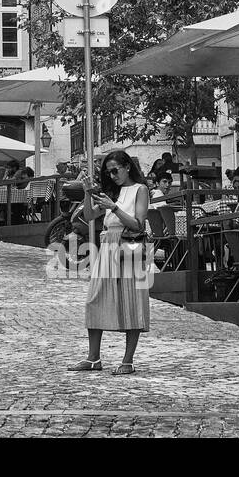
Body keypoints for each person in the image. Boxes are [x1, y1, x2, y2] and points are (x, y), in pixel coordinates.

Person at [70, 150, 151, 376]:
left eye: (115, 170)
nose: (112, 175)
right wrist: (87, 192)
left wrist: (114, 207)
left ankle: (128, 361)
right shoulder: (112, 192)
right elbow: (88, 216)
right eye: (109, 172)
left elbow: (139, 224)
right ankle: (93, 358)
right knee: (94, 300)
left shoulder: (140, 190)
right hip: (108, 246)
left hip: (129, 245)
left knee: (131, 301)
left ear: (127, 167)